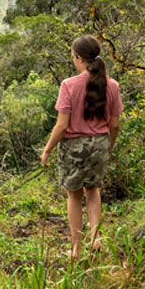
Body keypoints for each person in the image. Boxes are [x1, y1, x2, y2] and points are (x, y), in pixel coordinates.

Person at [41, 35, 122, 260]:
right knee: (93, 190)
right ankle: (95, 238)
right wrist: (108, 146)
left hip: (74, 147)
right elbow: (114, 125)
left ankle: (76, 249)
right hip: (100, 144)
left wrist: (47, 150)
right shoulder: (112, 85)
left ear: (78, 59)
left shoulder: (69, 85)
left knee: (74, 196)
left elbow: (62, 126)